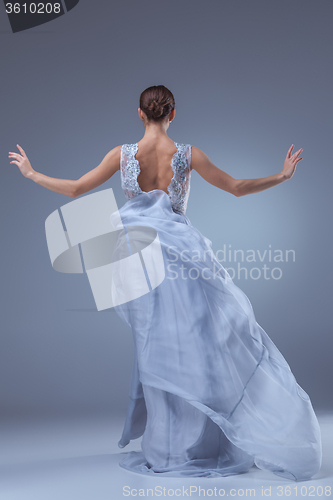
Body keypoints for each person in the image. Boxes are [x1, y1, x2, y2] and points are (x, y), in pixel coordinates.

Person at [8, 85, 322, 480]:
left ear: (140, 114)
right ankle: (200, 444)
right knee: (197, 345)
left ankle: (168, 448)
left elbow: (75, 189)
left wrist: (31, 172)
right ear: (173, 113)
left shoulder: (121, 156)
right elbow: (237, 188)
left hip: (137, 259)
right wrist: (282, 175)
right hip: (181, 255)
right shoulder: (189, 155)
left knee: (156, 347)